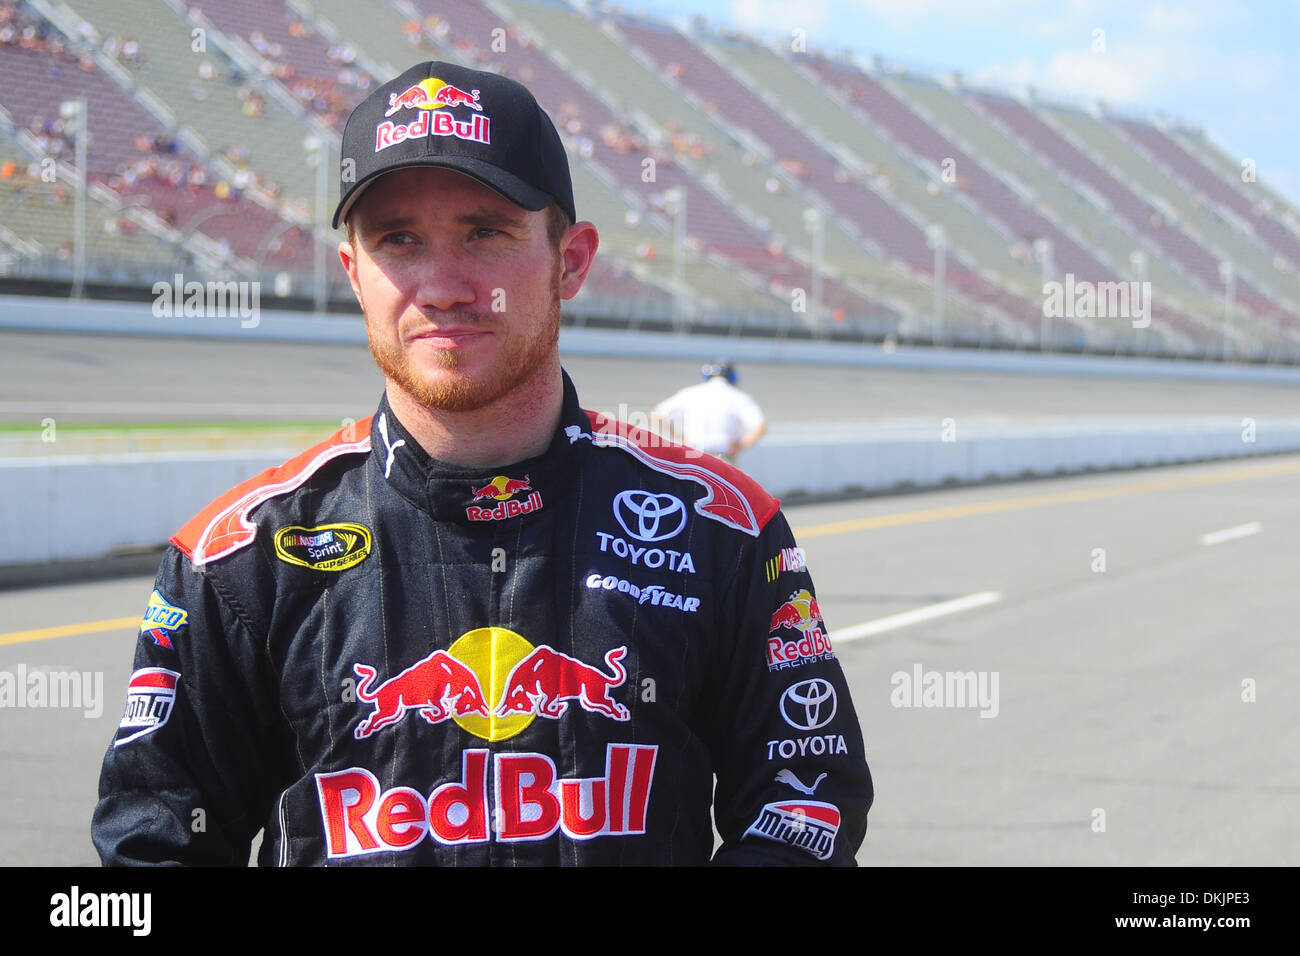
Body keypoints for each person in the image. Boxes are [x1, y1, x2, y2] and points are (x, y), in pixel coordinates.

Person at [93, 61, 872, 866]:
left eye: (484, 232)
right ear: (356, 275)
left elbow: (804, 800)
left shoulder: (726, 529)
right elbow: (154, 843)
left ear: (570, 261)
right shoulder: (237, 559)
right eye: (399, 239)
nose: (443, 287)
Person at [652, 360, 766, 464]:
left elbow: (657, 415)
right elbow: (759, 427)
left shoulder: (690, 393)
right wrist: (740, 445)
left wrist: (680, 439)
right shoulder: (739, 397)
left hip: (692, 455)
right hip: (723, 458)